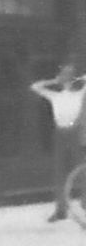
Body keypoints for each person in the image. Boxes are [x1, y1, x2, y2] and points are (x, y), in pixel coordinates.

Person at [29, 60, 85, 221]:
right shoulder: (55, 96)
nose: (67, 79)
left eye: (69, 75)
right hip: (60, 134)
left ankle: (85, 201)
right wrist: (55, 80)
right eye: (64, 75)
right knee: (60, 173)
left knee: (81, 169)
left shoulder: (79, 94)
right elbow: (35, 87)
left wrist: (79, 78)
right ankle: (61, 210)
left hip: (74, 132)